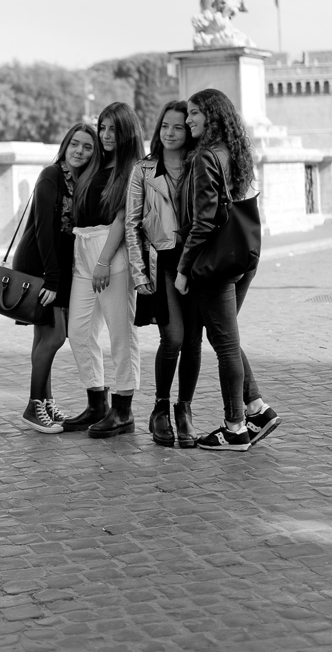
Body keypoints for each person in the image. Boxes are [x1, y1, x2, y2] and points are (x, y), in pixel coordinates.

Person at [174, 89, 280, 451]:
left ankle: (235, 427)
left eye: (193, 114)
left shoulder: (206, 156)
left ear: (211, 115)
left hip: (214, 263)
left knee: (225, 346)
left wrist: (184, 268)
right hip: (241, 257)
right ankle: (257, 408)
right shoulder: (234, 152)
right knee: (226, 339)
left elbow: (203, 223)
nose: (188, 121)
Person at [63, 102, 144, 438]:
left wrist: (103, 261)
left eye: (113, 129)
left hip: (111, 252)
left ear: (126, 131)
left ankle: (123, 410)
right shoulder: (96, 163)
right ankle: (97, 402)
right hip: (83, 250)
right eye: (103, 128)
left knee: (121, 333)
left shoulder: (132, 168)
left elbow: (123, 218)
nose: (106, 136)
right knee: (79, 331)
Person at [13, 123, 98, 433]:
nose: (80, 151)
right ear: (65, 145)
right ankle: (34, 406)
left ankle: (45, 403)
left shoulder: (79, 180)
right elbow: (46, 230)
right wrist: (51, 278)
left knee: (42, 337)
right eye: (75, 144)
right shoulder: (51, 176)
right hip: (42, 265)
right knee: (55, 336)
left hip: (57, 267)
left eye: (87, 147)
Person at [126, 101, 201, 447]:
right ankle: (160, 409)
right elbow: (131, 224)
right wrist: (139, 272)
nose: (170, 133)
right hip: (163, 262)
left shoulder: (198, 164)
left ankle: (184, 408)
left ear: (189, 131)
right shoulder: (143, 170)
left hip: (197, 261)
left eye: (178, 127)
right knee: (172, 338)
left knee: (193, 341)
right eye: (165, 127)